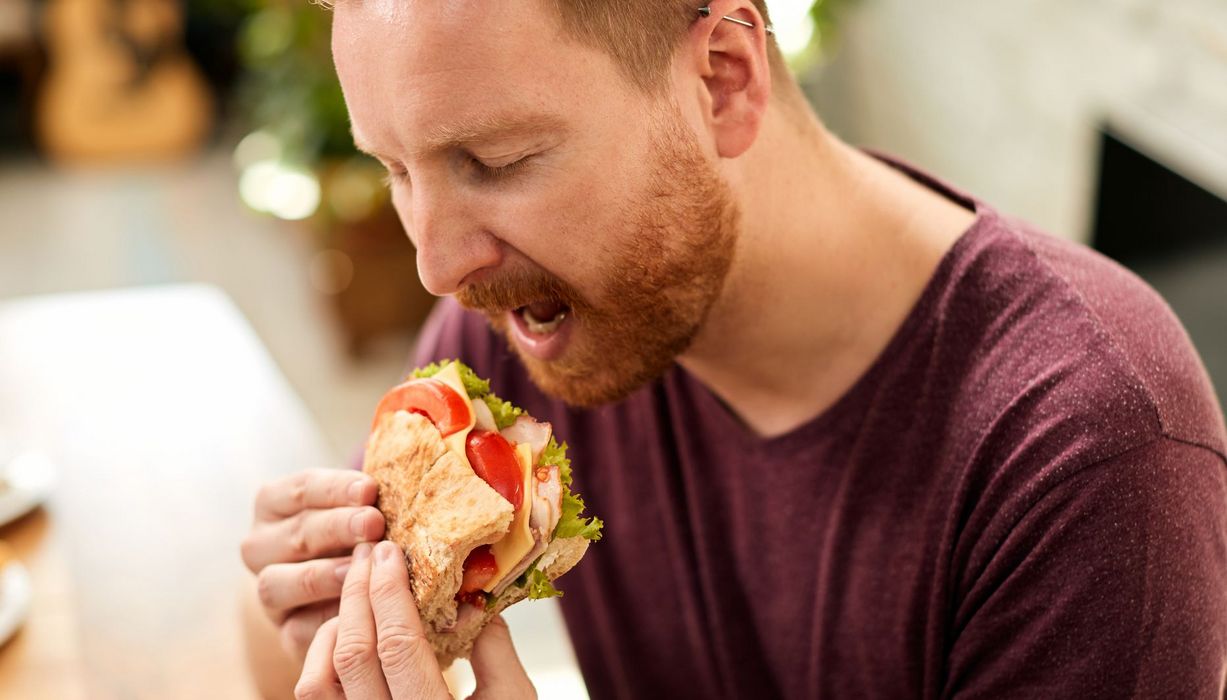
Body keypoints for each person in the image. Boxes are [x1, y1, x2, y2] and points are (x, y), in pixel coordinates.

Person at [241, 0, 1227, 697]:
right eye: (396, 168)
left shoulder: (1089, 449)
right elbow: (264, 654)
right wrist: (321, 618)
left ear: (722, 81)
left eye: (494, 163)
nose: (437, 263)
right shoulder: (527, 329)